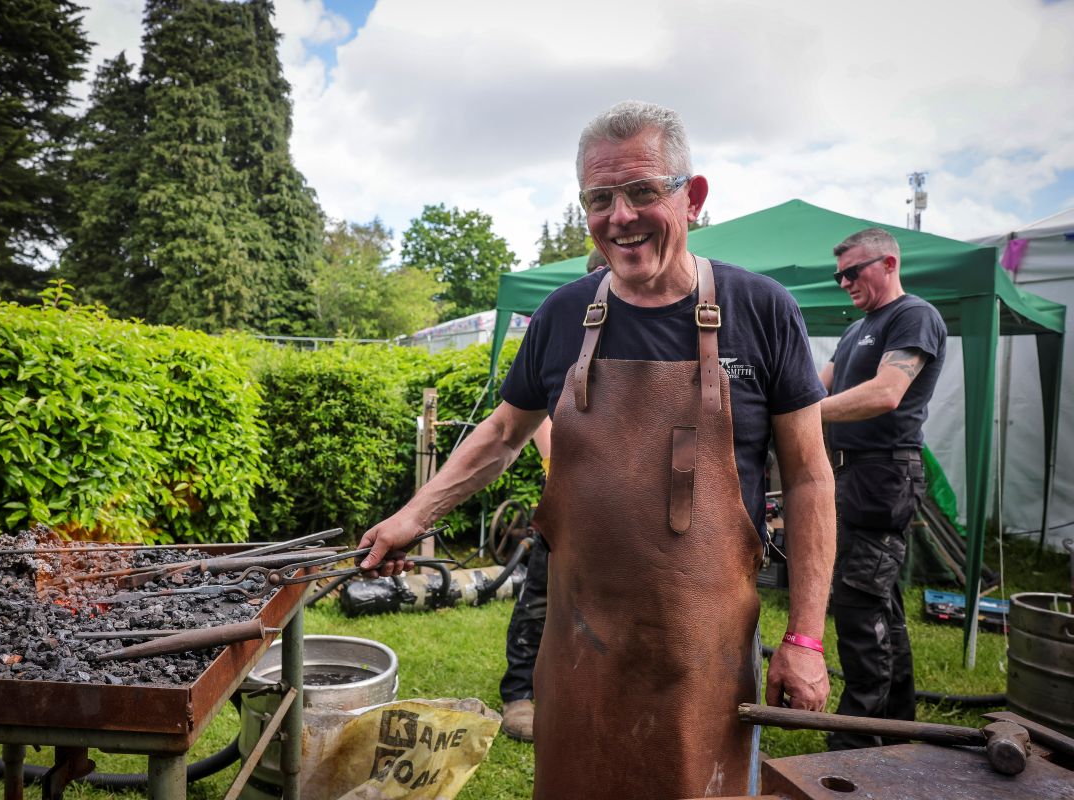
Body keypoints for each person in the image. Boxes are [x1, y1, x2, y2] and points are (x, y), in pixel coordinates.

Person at [360, 100, 835, 798]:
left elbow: (810, 479)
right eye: (599, 198)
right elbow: (500, 434)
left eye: (643, 192)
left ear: (692, 197)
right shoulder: (561, 317)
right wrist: (414, 516)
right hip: (579, 658)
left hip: (703, 660)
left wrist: (804, 638)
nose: (621, 216)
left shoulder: (761, 310)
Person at [819, 227, 946, 750]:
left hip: (883, 475)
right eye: (839, 274)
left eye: (854, 271)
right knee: (879, 601)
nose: (845, 281)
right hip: (853, 474)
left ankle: (857, 742)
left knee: (857, 603)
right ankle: (899, 725)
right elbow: (816, 384)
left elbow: (888, 392)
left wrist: (800, 417)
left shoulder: (912, 315)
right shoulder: (859, 329)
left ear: (888, 263)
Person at [499, 248, 607, 744]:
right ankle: (519, 692)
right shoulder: (568, 323)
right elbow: (531, 418)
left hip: (622, 510)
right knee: (540, 593)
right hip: (565, 494)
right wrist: (554, 466)